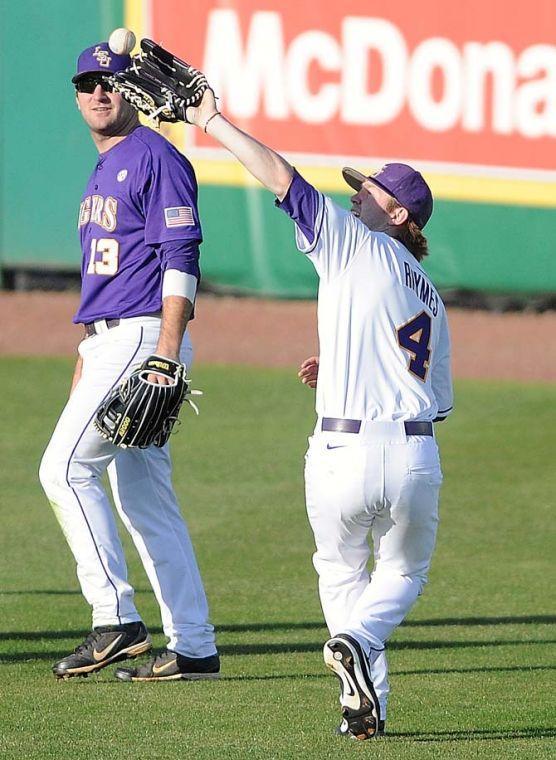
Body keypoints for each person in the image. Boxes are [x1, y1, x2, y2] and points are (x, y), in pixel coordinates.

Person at [180, 88, 453, 737]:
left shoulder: (354, 243)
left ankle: (359, 674)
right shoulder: (434, 301)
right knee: (404, 573)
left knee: (339, 572)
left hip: (337, 454)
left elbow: (279, 177)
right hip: (412, 452)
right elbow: (431, 398)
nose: (355, 196)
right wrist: (347, 368)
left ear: (396, 210)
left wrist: (209, 118)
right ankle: (366, 692)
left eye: (367, 190)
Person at [38, 42, 219, 682]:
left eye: (110, 82)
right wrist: (86, 358)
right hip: (109, 343)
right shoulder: (104, 165)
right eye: (87, 82)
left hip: (145, 340)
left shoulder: (158, 157)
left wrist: (167, 351)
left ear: (131, 92)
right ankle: (194, 646)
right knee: (146, 501)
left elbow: (181, 254)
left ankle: (114, 619)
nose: (98, 92)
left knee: (62, 469)